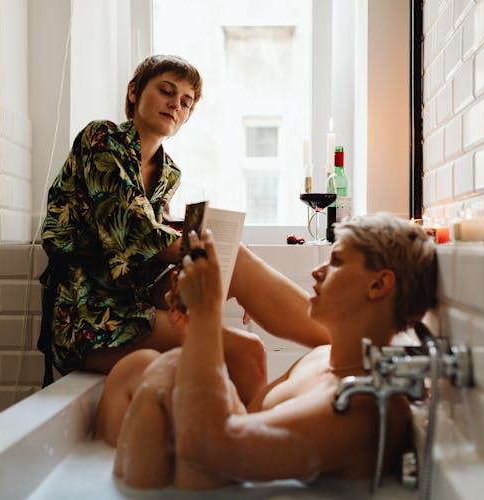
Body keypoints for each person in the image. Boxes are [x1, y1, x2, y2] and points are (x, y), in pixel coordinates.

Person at [39, 54, 330, 401]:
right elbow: (135, 233)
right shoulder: (101, 139)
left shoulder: (168, 172)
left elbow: (155, 256)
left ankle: (343, 344)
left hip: (134, 298)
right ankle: (251, 442)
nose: (176, 104)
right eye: (166, 91)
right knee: (247, 350)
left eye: (186, 102)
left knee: (233, 258)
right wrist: (212, 261)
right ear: (134, 92)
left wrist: (224, 270)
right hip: (89, 314)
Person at [103, 213, 437, 489]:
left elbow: (207, 446)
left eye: (335, 261)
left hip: (217, 467)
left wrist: (206, 314)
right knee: (146, 367)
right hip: (229, 477)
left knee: (168, 370)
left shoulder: (358, 408)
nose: (316, 272)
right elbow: (245, 419)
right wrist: (196, 329)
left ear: (379, 284)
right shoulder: (323, 358)